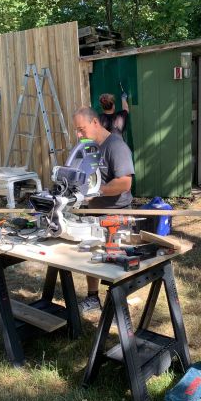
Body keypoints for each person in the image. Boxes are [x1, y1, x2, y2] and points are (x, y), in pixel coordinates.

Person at [73, 106, 134, 312]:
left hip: (117, 213)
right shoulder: (89, 146)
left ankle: (118, 308)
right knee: (91, 255)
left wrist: (97, 191)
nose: (78, 135)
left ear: (95, 123)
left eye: (81, 129)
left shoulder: (116, 146)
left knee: (114, 262)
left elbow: (125, 183)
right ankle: (93, 298)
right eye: (76, 130)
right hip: (94, 212)